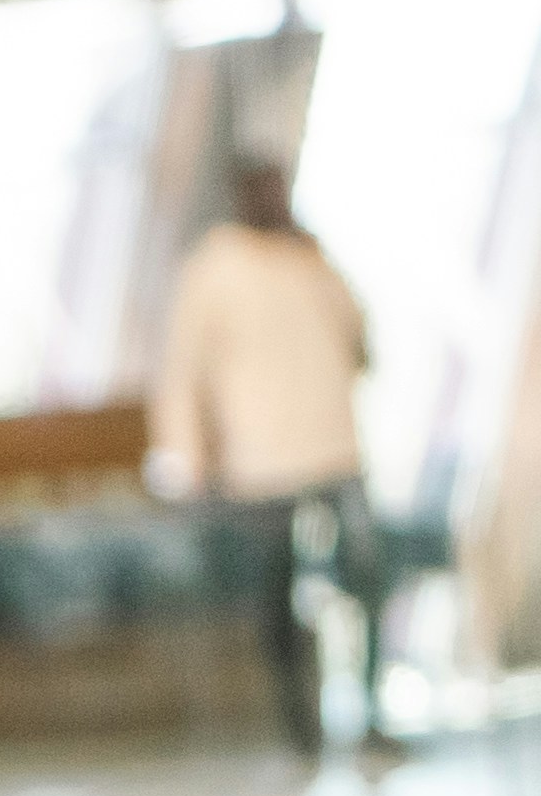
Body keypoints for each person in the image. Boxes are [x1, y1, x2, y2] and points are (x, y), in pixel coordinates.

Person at [148, 153, 381, 749]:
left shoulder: (307, 257)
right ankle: (297, 723)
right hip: (261, 460)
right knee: (277, 593)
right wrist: (186, 458)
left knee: (365, 573)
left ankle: (371, 711)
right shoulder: (214, 268)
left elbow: (358, 342)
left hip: (334, 448)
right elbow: (184, 371)